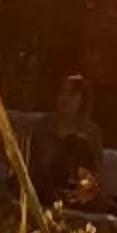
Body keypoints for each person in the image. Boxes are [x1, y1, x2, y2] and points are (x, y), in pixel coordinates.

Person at [30, 73, 105, 210]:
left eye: (73, 94)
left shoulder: (91, 131)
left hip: (76, 189)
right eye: (63, 92)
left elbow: (95, 173)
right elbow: (36, 165)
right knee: (74, 141)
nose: (66, 98)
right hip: (46, 186)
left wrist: (85, 187)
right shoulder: (44, 125)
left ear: (82, 100)